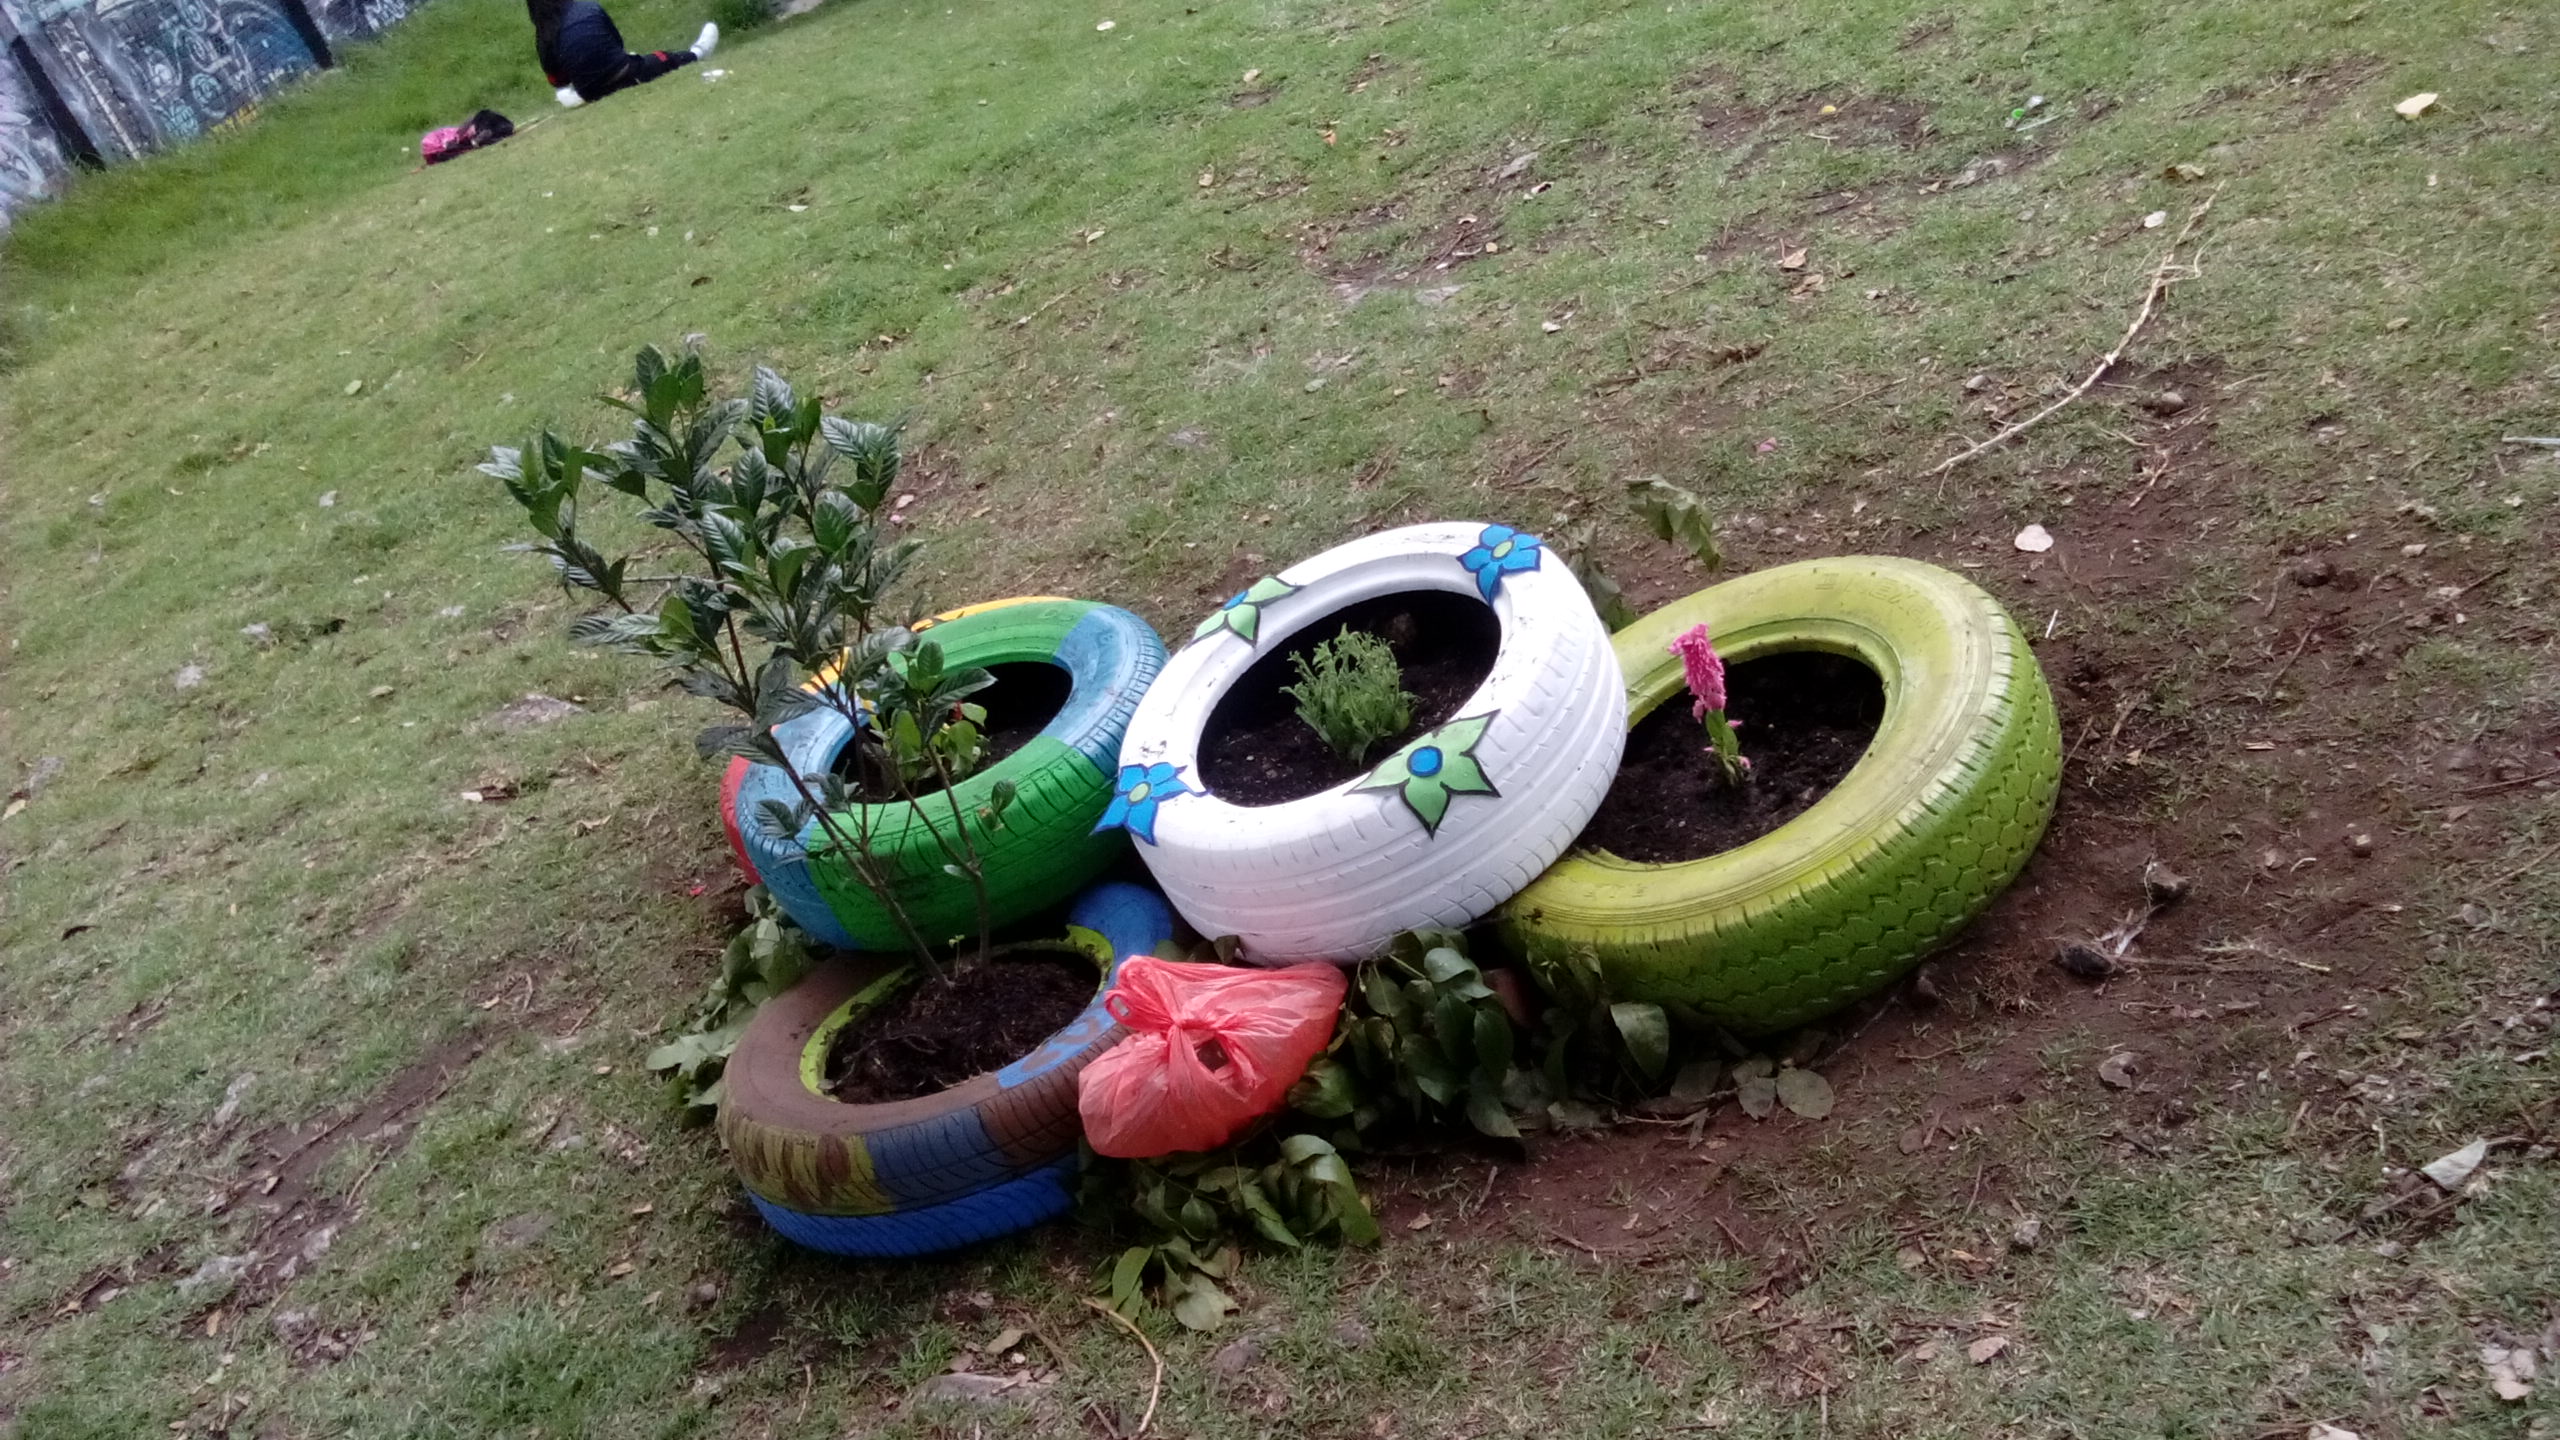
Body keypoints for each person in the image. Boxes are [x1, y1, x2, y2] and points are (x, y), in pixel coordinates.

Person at [527, 0, 718, 107]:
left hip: (588, 91)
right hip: (625, 72)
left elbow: (557, 80)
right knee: (663, 59)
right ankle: (697, 53)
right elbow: (617, 42)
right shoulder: (587, 7)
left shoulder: (544, 34)